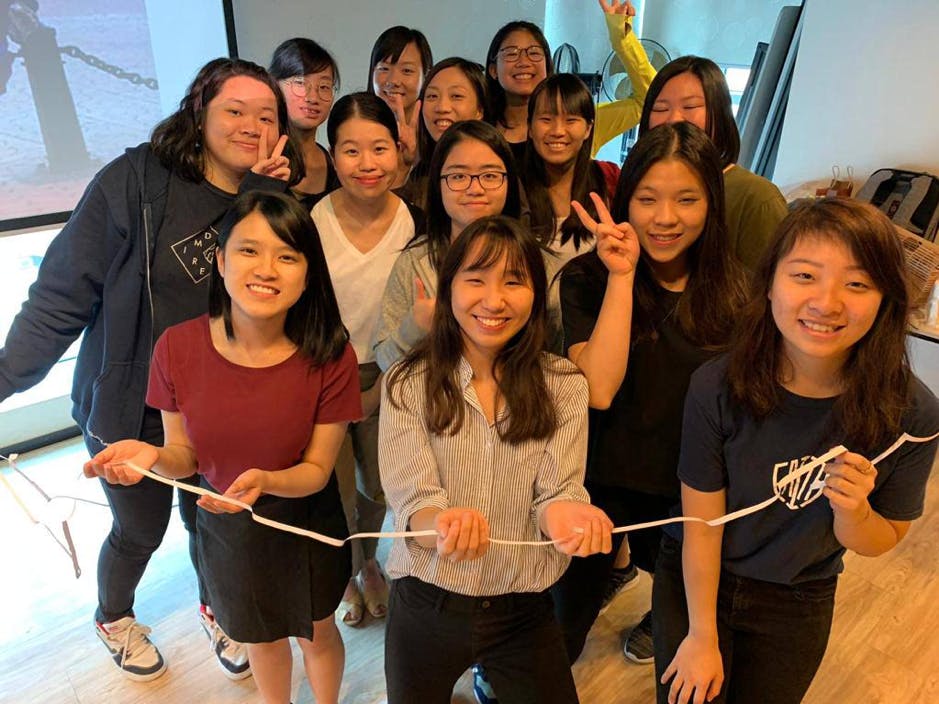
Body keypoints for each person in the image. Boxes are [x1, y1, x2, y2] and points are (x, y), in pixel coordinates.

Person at [0, 57, 294, 681]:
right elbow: (60, 293)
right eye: (234, 111)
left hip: (218, 411)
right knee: (139, 529)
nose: (251, 126)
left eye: (265, 115)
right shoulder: (133, 182)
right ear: (198, 111)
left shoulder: (263, 198)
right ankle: (114, 615)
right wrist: (6, 377)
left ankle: (217, 605)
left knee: (211, 520)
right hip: (130, 402)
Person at [654, 198, 939, 704]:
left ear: (885, 300)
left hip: (798, 597)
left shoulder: (912, 414)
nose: (826, 303)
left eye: (857, 284)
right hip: (699, 579)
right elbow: (701, 525)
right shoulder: (717, 386)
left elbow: (882, 537)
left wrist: (853, 511)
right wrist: (701, 635)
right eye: (805, 276)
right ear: (769, 284)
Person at [84, 191, 361, 704]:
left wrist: (268, 482)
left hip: (305, 518)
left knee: (318, 632)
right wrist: (152, 460)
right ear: (221, 259)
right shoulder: (177, 347)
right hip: (228, 523)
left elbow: (319, 469)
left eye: (287, 255)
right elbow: (183, 456)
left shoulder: (330, 352)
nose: (267, 269)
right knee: (259, 635)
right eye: (249, 250)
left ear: (307, 273)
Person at [379, 215, 614, 704]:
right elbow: (412, 501)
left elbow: (557, 493)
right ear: (448, 288)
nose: (493, 299)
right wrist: (441, 522)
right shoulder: (407, 383)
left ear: (536, 294)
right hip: (428, 602)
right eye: (475, 279)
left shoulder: (564, 384)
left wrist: (569, 516)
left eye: (514, 281)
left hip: (523, 607)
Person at [552, 122, 748, 667]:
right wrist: (622, 275)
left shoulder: (736, 295)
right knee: (562, 624)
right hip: (598, 483)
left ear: (712, 203)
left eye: (687, 199)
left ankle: (648, 611)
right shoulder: (586, 278)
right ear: (625, 200)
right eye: (647, 199)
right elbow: (599, 388)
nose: (665, 218)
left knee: (679, 626)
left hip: (687, 491)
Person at [310, 92, 422, 628]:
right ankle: (352, 570)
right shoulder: (312, 221)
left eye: (380, 148)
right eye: (351, 151)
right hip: (322, 371)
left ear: (400, 152)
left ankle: (370, 559)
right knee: (331, 487)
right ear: (333, 157)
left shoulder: (416, 222)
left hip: (393, 370)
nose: (367, 163)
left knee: (379, 485)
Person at [373, 119, 522, 372]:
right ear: (438, 183)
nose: (475, 189)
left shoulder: (530, 259)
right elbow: (386, 362)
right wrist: (415, 328)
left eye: (489, 176)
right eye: (458, 176)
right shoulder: (415, 261)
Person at [639, 55, 787, 270]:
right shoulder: (638, 183)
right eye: (661, 109)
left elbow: (769, 291)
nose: (674, 119)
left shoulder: (756, 197)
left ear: (720, 114)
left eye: (690, 107)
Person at [402, 57, 488, 208]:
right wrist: (401, 168)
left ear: (479, 110)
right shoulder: (421, 174)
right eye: (432, 96)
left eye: (456, 96)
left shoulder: (495, 169)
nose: (442, 107)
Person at [269, 37, 341, 208]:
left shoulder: (334, 161)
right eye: (300, 83)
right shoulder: (263, 159)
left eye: (324, 86)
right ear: (274, 85)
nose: (312, 97)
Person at [367, 25, 433, 186]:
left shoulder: (435, 133)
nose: (393, 81)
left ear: (426, 74)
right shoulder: (357, 128)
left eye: (407, 71)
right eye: (384, 68)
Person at [591, 0, 657, 157]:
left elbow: (649, 99)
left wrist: (622, 41)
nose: (524, 63)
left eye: (533, 53)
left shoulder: (583, 121)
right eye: (518, 52)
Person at [485, 20, 553, 162]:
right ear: (493, 70)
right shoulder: (479, 128)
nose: (524, 62)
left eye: (534, 53)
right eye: (511, 54)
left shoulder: (562, 127)